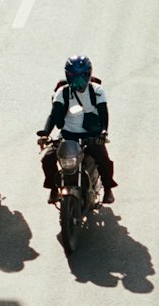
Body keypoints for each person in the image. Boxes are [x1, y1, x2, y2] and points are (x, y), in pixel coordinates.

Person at [38, 55, 115, 204]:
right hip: (68, 136)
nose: (77, 81)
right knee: (47, 159)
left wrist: (103, 132)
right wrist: (45, 133)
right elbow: (54, 115)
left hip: (91, 136)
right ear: (67, 75)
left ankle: (108, 188)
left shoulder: (97, 90)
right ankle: (54, 189)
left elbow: (103, 112)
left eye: (82, 76)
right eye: (73, 76)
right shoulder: (63, 92)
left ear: (88, 74)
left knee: (104, 160)